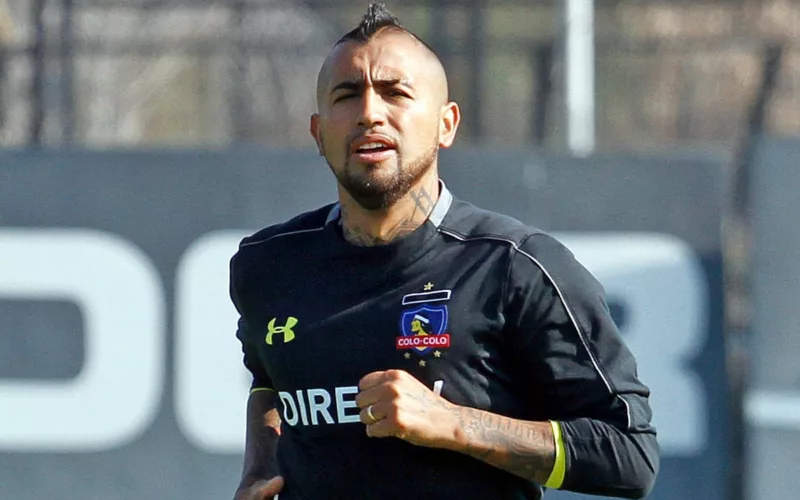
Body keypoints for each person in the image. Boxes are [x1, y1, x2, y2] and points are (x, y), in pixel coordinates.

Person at [230, 4, 659, 499]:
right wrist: (259, 467)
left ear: (445, 124)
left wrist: (454, 423)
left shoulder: (516, 267)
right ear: (318, 133)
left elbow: (630, 456)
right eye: (347, 95)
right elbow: (267, 379)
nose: (370, 112)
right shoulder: (268, 265)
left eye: (395, 93)